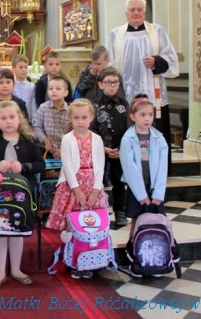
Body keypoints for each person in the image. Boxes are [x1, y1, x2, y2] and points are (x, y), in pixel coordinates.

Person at [0, 101, 45, 290]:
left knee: (17, 231)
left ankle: (16, 270)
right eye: (3, 118)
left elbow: (40, 164)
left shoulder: (29, 139)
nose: (8, 121)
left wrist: (24, 166)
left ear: (19, 118)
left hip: (21, 196)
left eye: (12, 117)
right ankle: (0, 272)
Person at [108, 0, 179, 166]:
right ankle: (128, 168)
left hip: (152, 92)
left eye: (139, 9)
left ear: (144, 12)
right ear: (126, 13)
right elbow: (110, 62)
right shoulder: (116, 34)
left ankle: (156, 167)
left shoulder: (157, 31)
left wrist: (156, 61)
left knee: (154, 129)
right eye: (132, 10)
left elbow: (170, 57)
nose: (136, 12)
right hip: (126, 91)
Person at [45, 99, 105, 279]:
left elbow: (100, 166)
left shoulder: (97, 139)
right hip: (73, 187)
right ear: (70, 119)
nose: (80, 121)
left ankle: (90, 260)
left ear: (91, 117)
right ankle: (73, 260)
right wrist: (77, 190)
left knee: (91, 226)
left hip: (92, 185)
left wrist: (95, 191)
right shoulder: (67, 139)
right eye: (76, 118)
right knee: (73, 226)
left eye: (84, 117)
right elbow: (68, 166)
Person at [120, 96, 168, 238]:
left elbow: (163, 167)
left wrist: (158, 192)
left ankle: (157, 248)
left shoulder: (159, 138)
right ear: (133, 117)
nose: (147, 118)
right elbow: (129, 168)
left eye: (150, 114)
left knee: (157, 221)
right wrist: (141, 194)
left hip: (153, 187)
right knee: (137, 221)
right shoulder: (127, 139)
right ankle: (133, 247)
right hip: (136, 188)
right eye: (142, 115)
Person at [92, 67, 130, 227]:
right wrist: (103, 148)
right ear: (101, 84)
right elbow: (91, 129)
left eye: (115, 82)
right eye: (109, 82)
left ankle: (120, 211)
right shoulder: (94, 105)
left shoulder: (124, 104)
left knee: (119, 181)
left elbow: (129, 128)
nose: (113, 85)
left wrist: (121, 148)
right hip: (99, 150)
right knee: (96, 180)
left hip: (119, 150)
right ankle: (96, 209)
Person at [34, 76, 71, 158]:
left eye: (58, 89)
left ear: (66, 93)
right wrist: (46, 141)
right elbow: (37, 126)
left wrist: (62, 150)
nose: (54, 91)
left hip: (66, 150)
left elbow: (74, 132)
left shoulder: (71, 110)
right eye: (50, 89)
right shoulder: (43, 107)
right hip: (46, 149)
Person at [12, 54, 36, 123]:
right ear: (13, 69)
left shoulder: (32, 86)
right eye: (21, 67)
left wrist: (34, 120)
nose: (24, 70)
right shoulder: (11, 86)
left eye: (25, 67)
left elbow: (33, 104)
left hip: (28, 120)